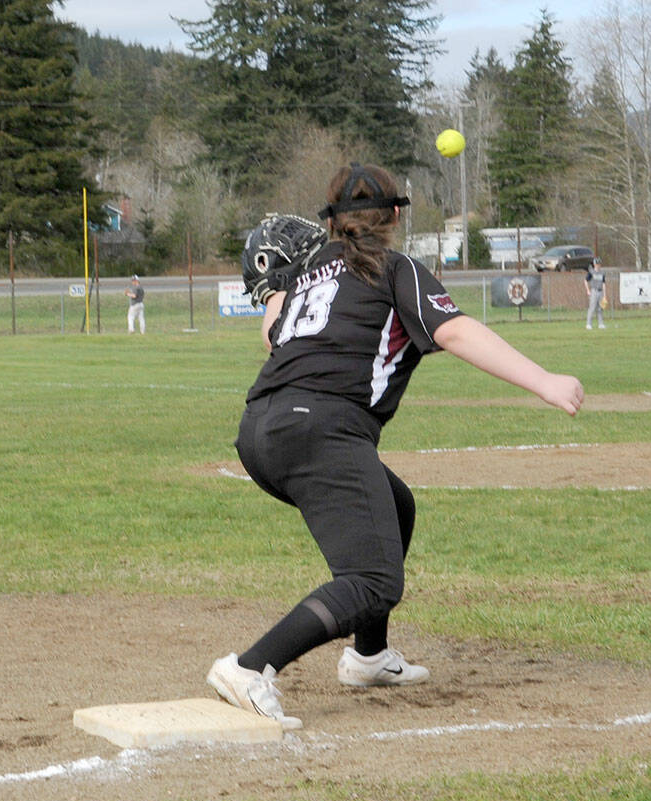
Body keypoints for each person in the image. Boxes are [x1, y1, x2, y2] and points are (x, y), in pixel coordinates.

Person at [206, 165, 583, 729]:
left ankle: (368, 657)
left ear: (330, 221)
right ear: (398, 216)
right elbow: (453, 331)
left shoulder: (310, 274)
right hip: (319, 429)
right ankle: (251, 666)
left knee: (395, 503)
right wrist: (545, 381)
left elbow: (272, 335)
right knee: (373, 579)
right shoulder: (395, 268)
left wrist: (279, 288)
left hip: (258, 429)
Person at [584, 258, 606, 330]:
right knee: (592, 308)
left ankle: (601, 324)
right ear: (594, 264)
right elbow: (585, 281)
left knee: (600, 308)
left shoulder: (602, 273)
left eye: (599, 264)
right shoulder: (591, 272)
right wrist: (588, 290)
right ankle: (588, 324)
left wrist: (605, 294)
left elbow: (603, 283)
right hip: (594, 291)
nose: (598, 265)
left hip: (601, 291)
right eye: (597, 264)